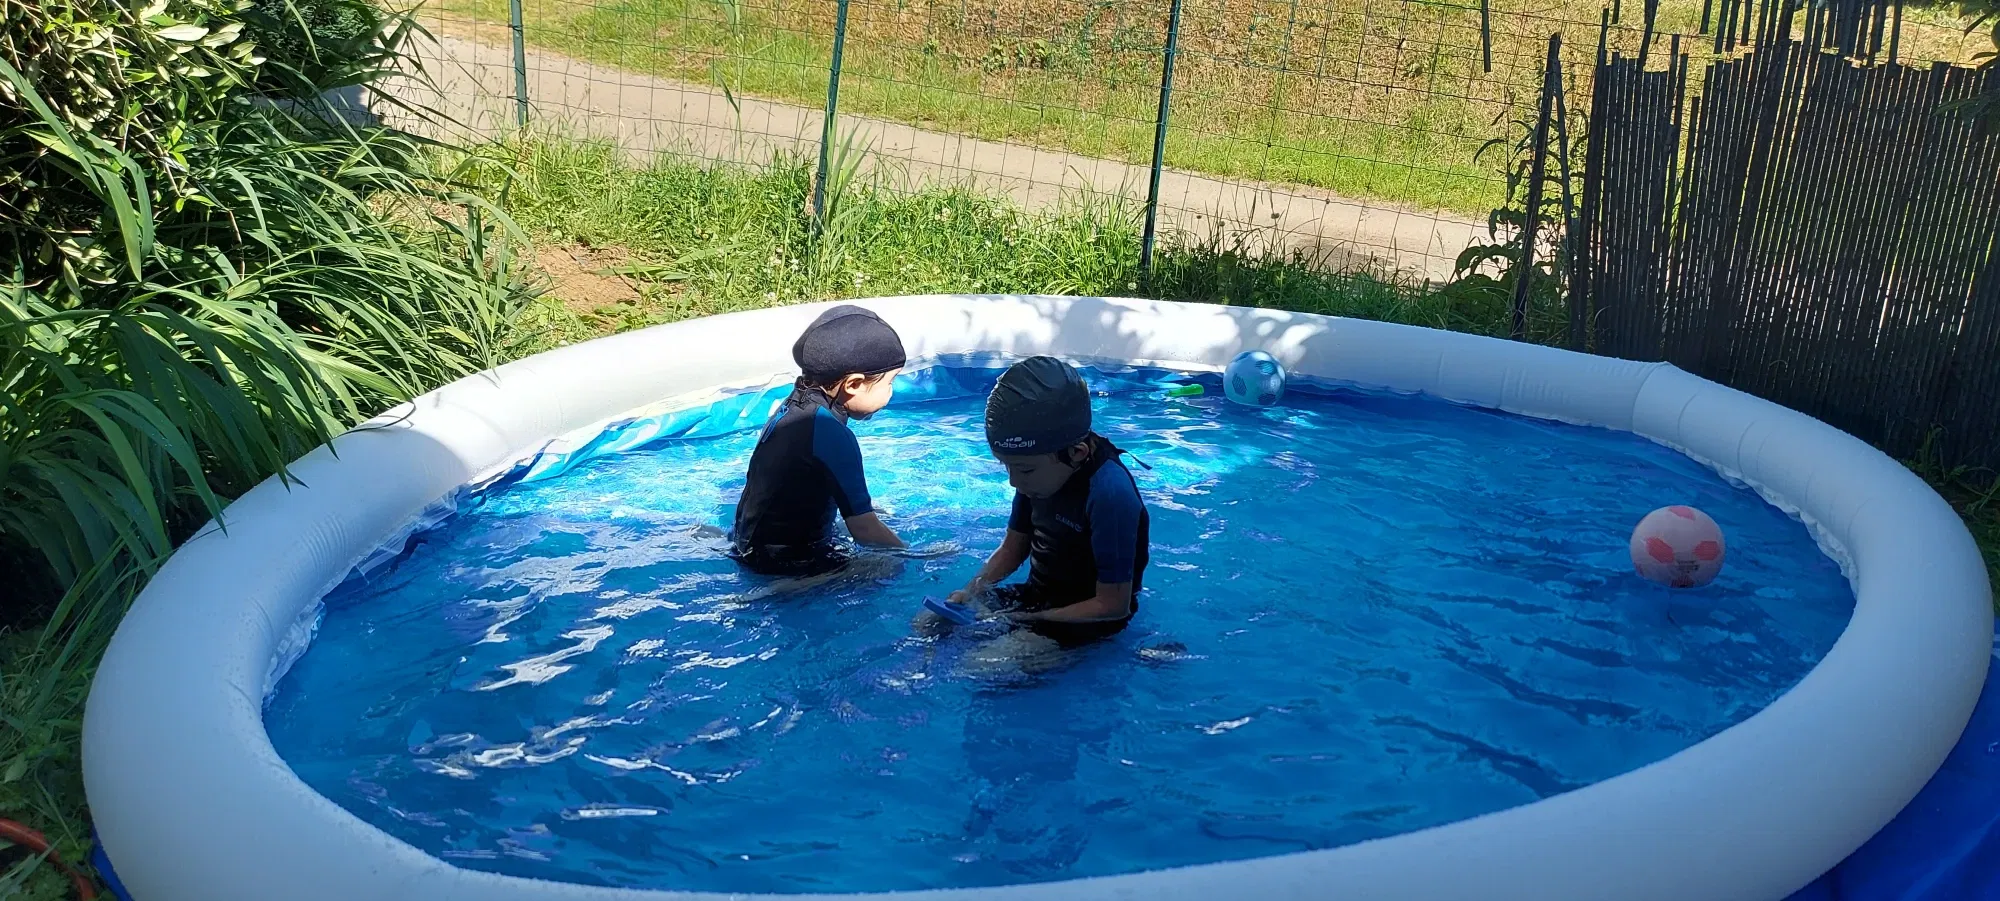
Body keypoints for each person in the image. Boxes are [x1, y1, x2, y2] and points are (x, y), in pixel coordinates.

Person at [933, 355, 1150, 660]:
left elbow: (1113, 606)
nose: (1013, 482)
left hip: (1089, 619)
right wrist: (972, 591)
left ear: (1076, 453)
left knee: (984, 666)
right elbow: (1012, 549)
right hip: (1037, 599)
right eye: (1006, 467)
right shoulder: (1039, 473)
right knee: (932, 623)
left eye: (1023, 470)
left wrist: (1024, 622)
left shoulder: (1110, 494)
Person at [730, 305, 908, 580]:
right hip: (787, 565)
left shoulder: (795, 405)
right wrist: (917, 555)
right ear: (853, 384)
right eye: (889, 382)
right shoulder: (831, 432)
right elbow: (865, 531)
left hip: (748, 545)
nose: (891, 393)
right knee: (888, 568)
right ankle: (795, 589)